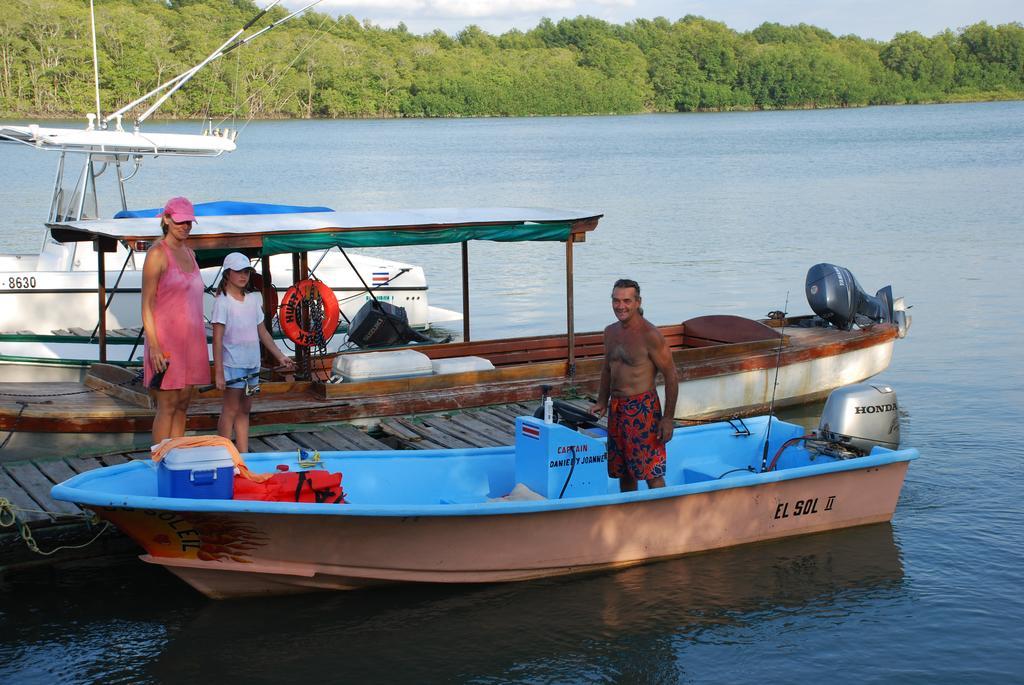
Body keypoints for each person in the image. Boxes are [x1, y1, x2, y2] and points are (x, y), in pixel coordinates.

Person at [589, 279, 678, 492]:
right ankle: (630, 517)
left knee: (650, 471)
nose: (621, 306)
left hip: (643, 409)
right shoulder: (610, 332)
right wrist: (602, 400)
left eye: (627, 301)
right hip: (617, 408)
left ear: (638, 302)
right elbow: (608, 369)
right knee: (624, 471)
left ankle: (663, 516)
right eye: (616, 300)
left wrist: (667, 419)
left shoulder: (650, 335)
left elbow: (671, 376)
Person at [142, 197, 210, 445]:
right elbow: (147, 304)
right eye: (180, 221)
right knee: (167, 405)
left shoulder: (190, 254)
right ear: (167, 220)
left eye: (189, 222)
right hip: (166, 341)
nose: (185, 226)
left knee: (183, 404)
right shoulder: (157, 254)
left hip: (191, 342)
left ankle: (177, 459)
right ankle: (160, 461)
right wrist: (154, 346)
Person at [212, 252, 295, 452]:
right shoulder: (222, 302)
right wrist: (219, 372)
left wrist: (281, 356)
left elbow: (263, 332)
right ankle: (223, 453)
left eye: (247, 272)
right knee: (231, 409)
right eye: (238, 271)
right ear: (227, 274)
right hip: (233, 366)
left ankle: (243, 454)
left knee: (245, 409)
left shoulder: (252, 300)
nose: (243, 276)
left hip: (253, 367)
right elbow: (217, 339)